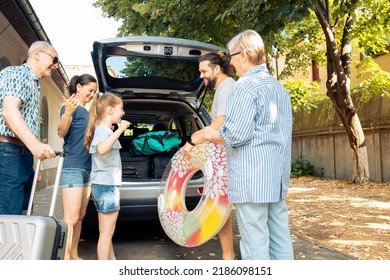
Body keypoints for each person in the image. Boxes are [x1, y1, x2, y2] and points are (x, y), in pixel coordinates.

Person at [203, 30, 294, 260]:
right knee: (280, 237)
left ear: (243, 55)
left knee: (255, 244)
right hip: (277, 177)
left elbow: (236, 134)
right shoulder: (279, 88)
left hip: (252, 180)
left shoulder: (244, 87)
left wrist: (210, 134)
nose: (230, 62)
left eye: (231, 55)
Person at [182, 53, 237, 260]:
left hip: (230, 158)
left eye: (204, 71)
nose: (202, 76)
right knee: (222, 207)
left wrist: (193, 139)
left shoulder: (226, 88)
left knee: (223, 207)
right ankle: (228, 255)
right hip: (224, 157)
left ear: (217, 69)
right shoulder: (224, 88)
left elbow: (219, 126)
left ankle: (230, 257)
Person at [0, 41, 59, 215]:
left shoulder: (34, 82)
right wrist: (36, 146)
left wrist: (33, 160)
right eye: (54, 59)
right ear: (37, 55)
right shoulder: (18, 73)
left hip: (21, 154)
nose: (56, 65)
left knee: (24, 217)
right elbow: (9, 112)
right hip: (8, 152)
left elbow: (26, 125)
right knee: (9, 218)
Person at [84, 93, 130, 260]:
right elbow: (102, 149)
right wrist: (120, 130)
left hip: (102, 185)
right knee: (106, 234)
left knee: (105, 233)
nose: (123, 113)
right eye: (120, 109)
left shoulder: (102, 130)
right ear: (110, 110)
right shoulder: (103, 130)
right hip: (106, 186)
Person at [57, 74, 97, 260]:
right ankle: (65, 257)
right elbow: (60, 132)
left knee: (80, 216)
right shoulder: (70, 106)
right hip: (73, 167)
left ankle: (73, 254)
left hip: (87, 169)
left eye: (94, 91)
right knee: (70, 218)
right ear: (79, 87)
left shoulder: (87, 112)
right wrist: (67, 113)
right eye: (90, 90)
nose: (92, 94)